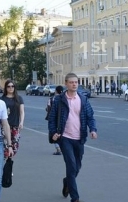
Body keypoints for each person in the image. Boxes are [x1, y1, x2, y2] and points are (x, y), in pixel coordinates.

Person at [49, 73, 97, 202]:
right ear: (66, 83)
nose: (74, 84)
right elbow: (52, 118)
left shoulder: (83, 99)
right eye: (71, 82)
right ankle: (75, 198)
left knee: (77, 167)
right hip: (65, 138)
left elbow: (90, 116)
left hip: (79, 137)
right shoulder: (59, 100)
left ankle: (67, 182)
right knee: (71, 165)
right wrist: (53, 132)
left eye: (76, 82)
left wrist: (92, 129)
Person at [0, 79, 25, 158]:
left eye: (12, 86)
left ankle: (8, 161)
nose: (10, 88)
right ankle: (6, 164)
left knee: (14, 146)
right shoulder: (2, 99)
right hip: (4, 125)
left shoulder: (19, 98)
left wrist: (21, 122)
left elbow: (22, 111)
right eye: (8, 86)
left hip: (15, 125)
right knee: (5, 145)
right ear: (6, 88)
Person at [46, 85, 64, 155]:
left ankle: (58, 149)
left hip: (53, 118)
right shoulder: (65, 98)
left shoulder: (52, 99)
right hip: (62, 119)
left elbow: (48, 108)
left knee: (54, 132)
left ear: (56, 91)